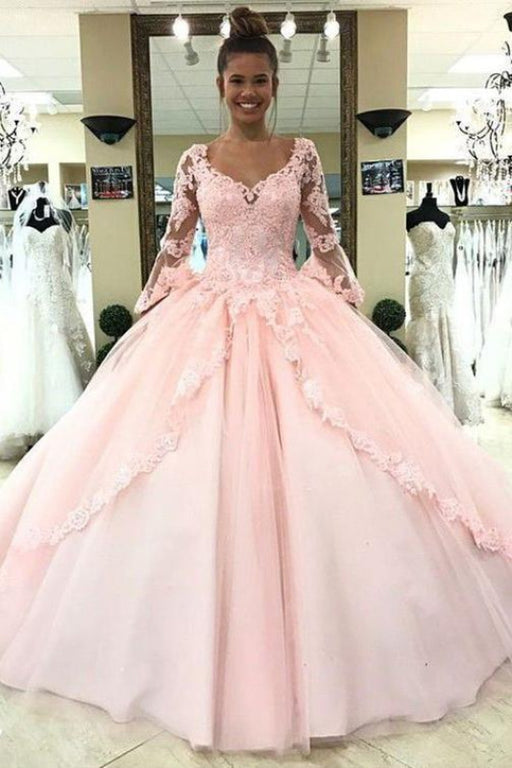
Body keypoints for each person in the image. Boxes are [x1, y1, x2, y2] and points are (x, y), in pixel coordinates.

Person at [1, 5, 512, 758]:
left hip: (291, 309)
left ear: (275, 84)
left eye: (261, 81)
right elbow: (175, 243)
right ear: (220, 85)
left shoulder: (301, 155)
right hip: (208, 313)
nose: (249, 92)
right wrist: (150, 308)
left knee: (334, 461)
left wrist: (343, 295)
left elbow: (324, 236)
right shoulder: (194, 161)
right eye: (238, 80)